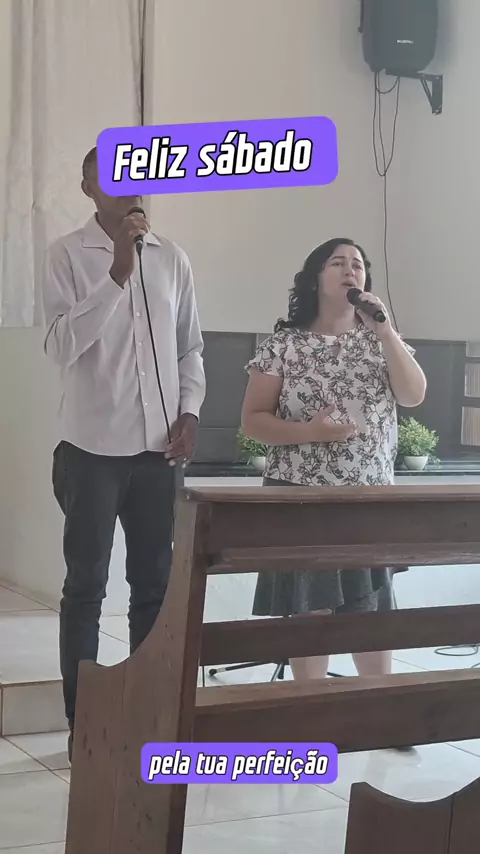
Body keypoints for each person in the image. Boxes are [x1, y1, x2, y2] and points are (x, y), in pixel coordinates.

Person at [41, 146, 206, 762]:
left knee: (154, 588)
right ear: (88, 186)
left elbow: (189, 347)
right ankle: (83, 724)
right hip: (90, 450)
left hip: (157, 453)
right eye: (111, 175)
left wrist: (190, 411)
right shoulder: (66, 255)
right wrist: (116, 272)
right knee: (86, 588)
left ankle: (144, 717)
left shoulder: (174, 258)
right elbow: (60, 346)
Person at [241, 237, 426, 682]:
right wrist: (311, 432)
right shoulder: (284, 344)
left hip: (367, 497)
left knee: (371, 612)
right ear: (315, 279)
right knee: (310, 611)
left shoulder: (382, 340)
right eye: (337, 263)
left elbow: (413, 395)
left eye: (357, 265)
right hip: (300, 497)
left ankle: (376, 707)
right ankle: (310, 708)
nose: (350, 270)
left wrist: (385, 330)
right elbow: (252, 422)